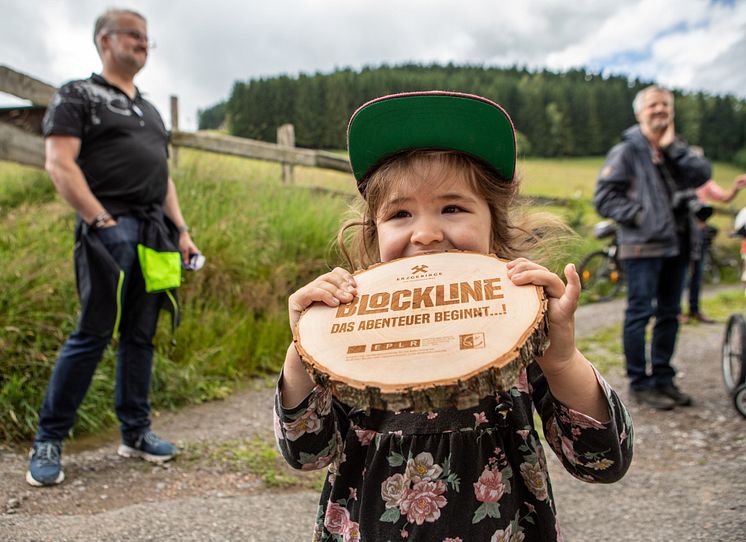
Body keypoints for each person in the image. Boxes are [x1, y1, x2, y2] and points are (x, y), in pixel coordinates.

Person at [274, 91, 633, 541]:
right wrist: (304, 347)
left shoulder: (517, 320)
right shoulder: (351, 325)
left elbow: (601, 460)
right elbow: (307, 452)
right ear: (374, 231)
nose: (425, 233)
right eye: (400, 213)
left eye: (453, 207)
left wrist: (560, 360)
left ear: (494, 224)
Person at [26, 8, 199, 487]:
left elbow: (162, 177)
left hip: (156, 233)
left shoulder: (150, 109)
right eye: (135, 36)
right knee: (94, 330)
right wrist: (99, 220)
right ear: (105, 40)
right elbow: (59, 163)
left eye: (148, 38)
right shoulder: (77, 94)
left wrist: (180, 229)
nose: (144, 44)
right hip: (109, 227)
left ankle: (136, 433)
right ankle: (49, 439)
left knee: (141, 333)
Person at [594, 85, 711, 411]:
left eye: (665, 105)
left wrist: (673, 147)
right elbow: (604, 198)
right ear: (639, 112)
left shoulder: (677, 150)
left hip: (678, 245)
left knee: (670, 314)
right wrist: (640, 216)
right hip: (642, 247)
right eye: (653, 105)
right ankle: (639, 383)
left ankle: (663, 378)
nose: (660, 110)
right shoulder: (626, 152)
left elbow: (703, 174)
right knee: (640, 313)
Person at [680, 175, 746, 324]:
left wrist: (735, 188)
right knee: (680, 272)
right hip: (679, 230)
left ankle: (694, 309)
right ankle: (675, 312)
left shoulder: (704, 182)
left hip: (698, 230)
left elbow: (724, 197)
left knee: (697, 271)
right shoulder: (675, 178)